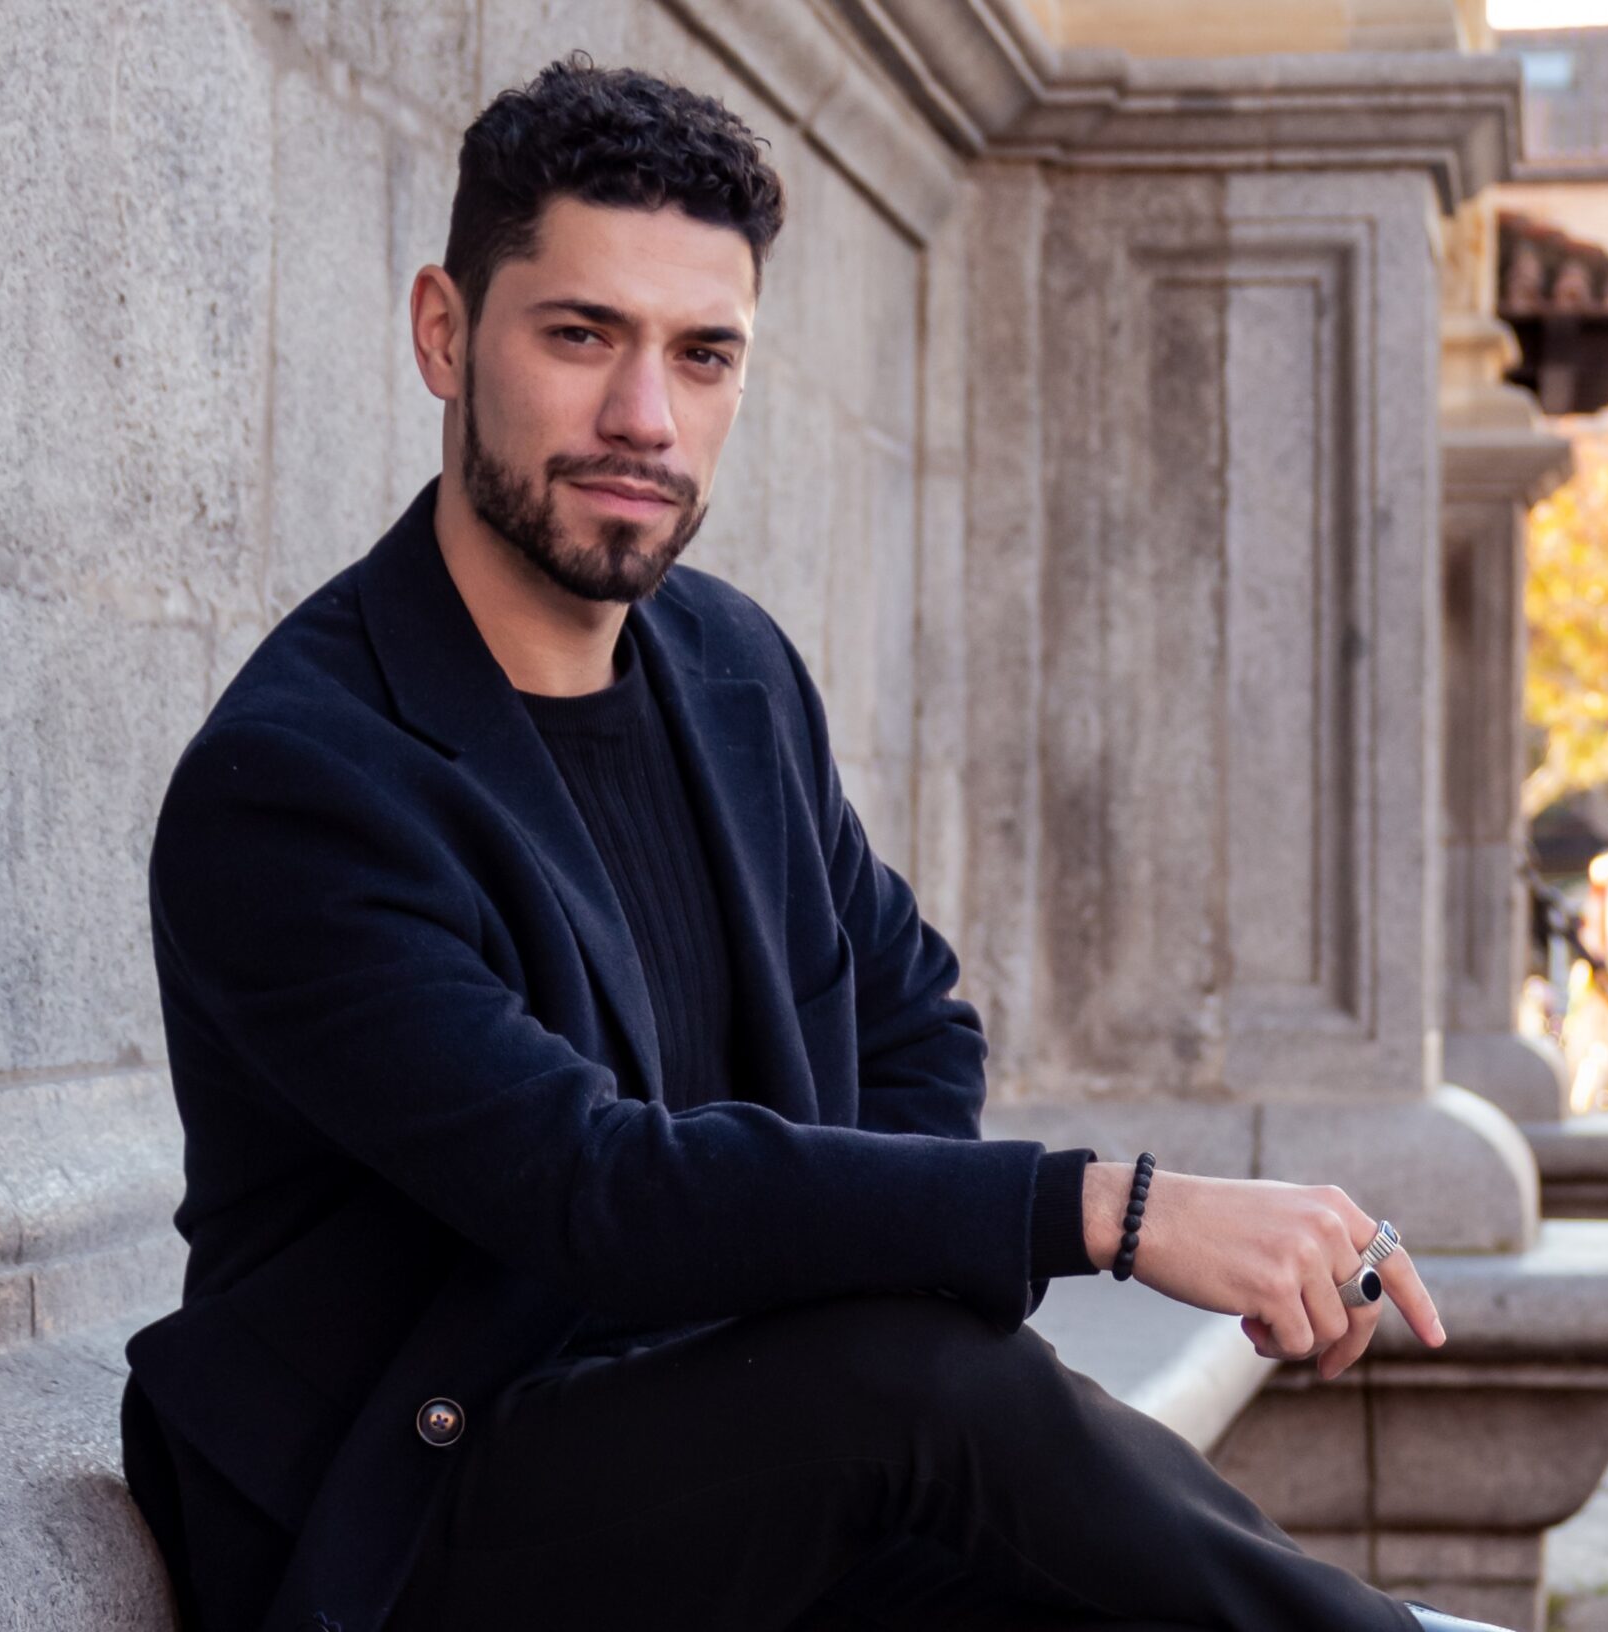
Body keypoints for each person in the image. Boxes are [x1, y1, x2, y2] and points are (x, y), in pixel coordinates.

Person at [120, 52, 1511, 1632]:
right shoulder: (301, 781)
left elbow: (913, 1022)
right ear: (446, 332)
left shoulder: (731, 671)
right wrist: (1116, 1213)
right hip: (412, 1525)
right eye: (582, 336)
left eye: (702, 355)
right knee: (925, 1389)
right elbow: (597, 1192)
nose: (644, 418)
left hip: (749, 1452)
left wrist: (838, 1291)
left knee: (1013, 1504)